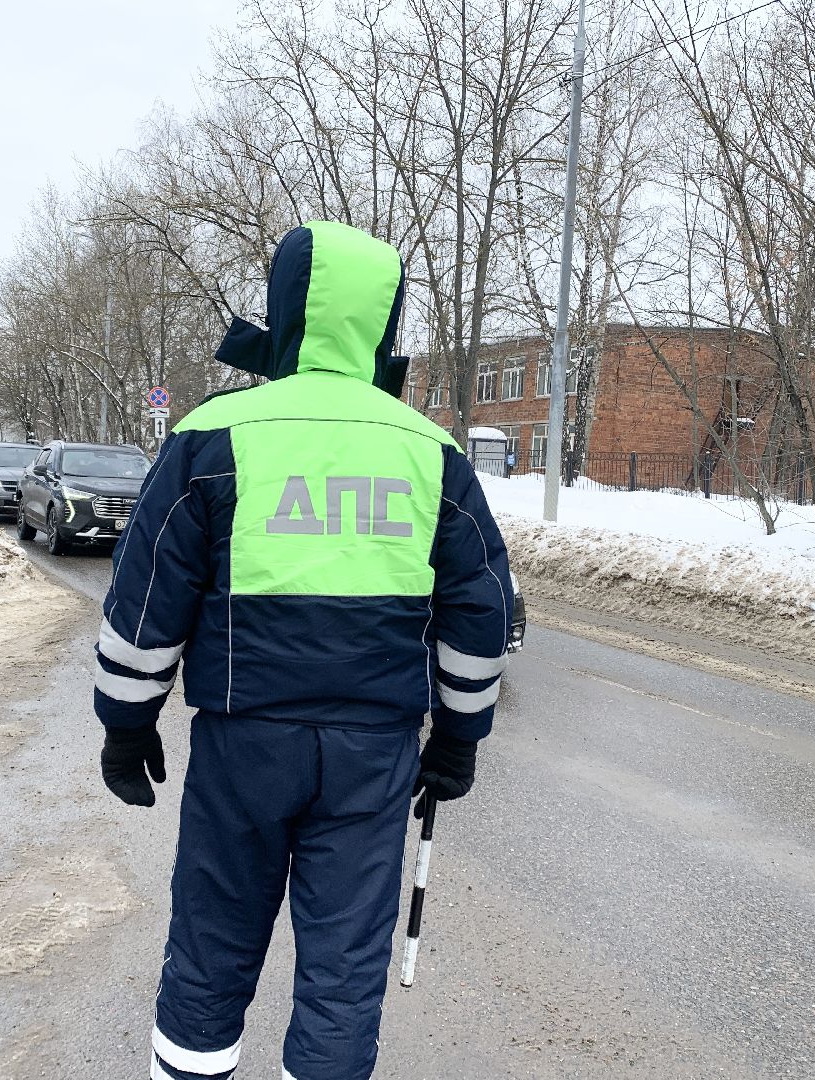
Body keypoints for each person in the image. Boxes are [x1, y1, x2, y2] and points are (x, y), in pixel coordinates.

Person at [94, 220, 513, 1080]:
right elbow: (479, 613)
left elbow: (147, 602)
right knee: (344, 968)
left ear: (284, 311)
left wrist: (126, 723)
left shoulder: (213, 435)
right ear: (384, 322)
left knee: (212, 942)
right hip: (373, 755)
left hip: (242, 742)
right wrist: (458, 741)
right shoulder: (429, 450)